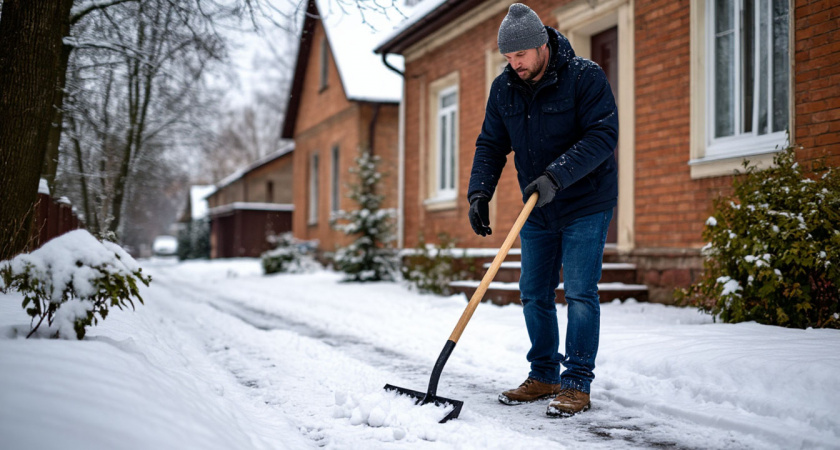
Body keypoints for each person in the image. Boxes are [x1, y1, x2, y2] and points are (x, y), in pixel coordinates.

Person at [467, 3, 618, 417]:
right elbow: (491, 144)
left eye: (520, 56)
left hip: (586, 200)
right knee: (534, 292)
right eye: (508, 58)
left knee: (580, 293)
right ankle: (544, 374)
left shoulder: (585, 77)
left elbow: (604, 135)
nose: (514, 65)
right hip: (537, 204)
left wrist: (557, 176)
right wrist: (479, 192)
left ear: (541, 46)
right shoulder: (505, 89)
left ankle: (576, 383)